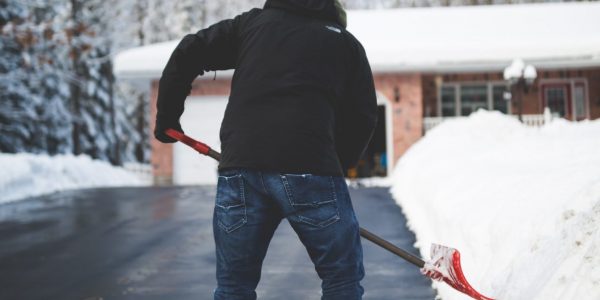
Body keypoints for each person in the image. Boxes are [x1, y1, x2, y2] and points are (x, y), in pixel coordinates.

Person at [154, 0, 377, 299]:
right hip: (311, 168)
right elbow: (362, 116)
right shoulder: (345, 44)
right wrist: (337, 165)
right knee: (341, 278)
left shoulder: (252, 26)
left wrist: (167, 116)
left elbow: (190, 50)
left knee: (234, 286)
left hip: (241, 169)